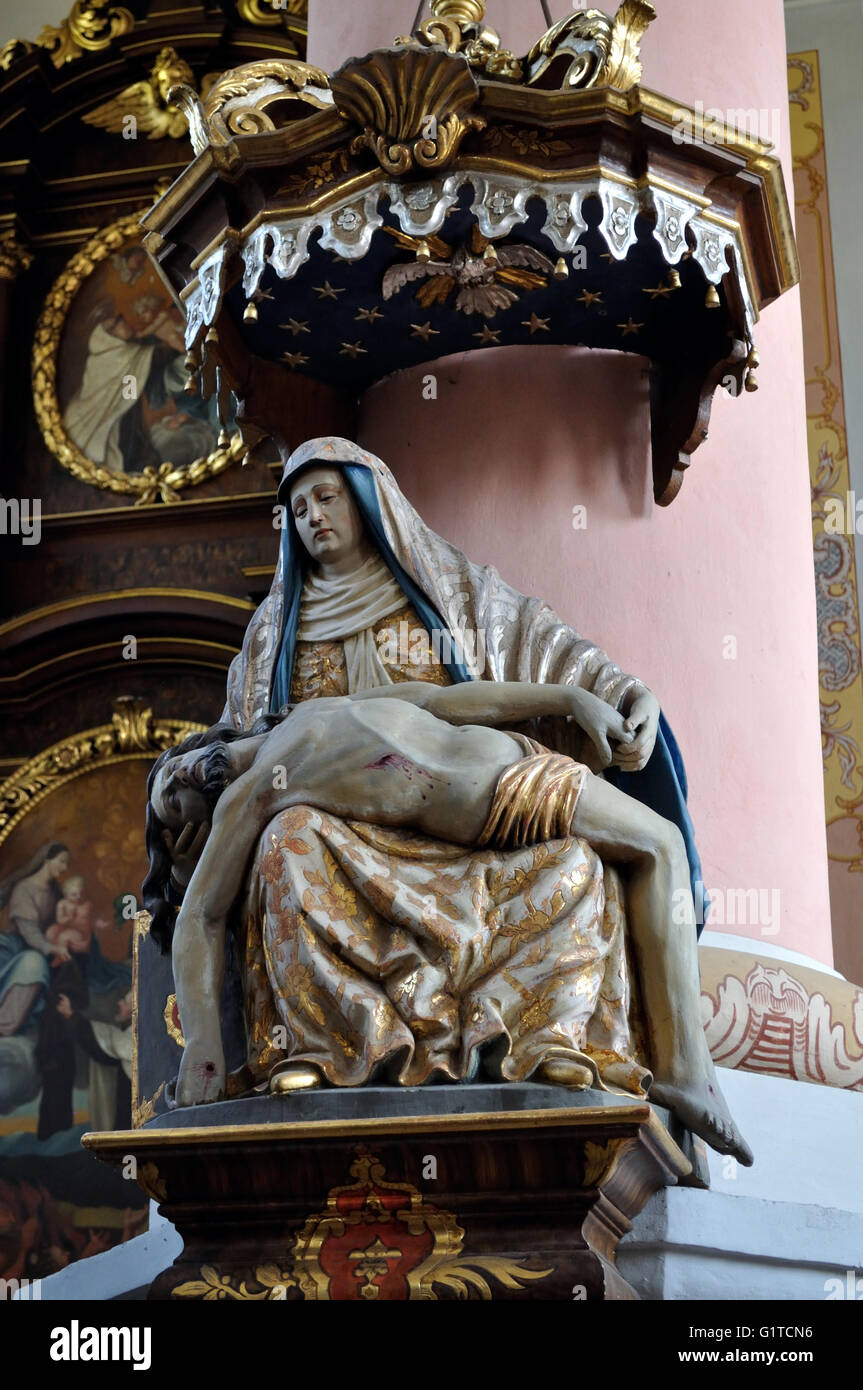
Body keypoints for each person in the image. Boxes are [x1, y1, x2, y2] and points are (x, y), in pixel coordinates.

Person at [146, 679, 751, 1164]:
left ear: (200, 744)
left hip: (520, 768)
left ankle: (683, 1072)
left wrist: (567, 698)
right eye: (173, 803)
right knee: (657, 845)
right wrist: (201, 1046)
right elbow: (200, 916)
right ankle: (686, 1076)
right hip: (490, 815)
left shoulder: (317, 709)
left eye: (172, 770)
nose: (180, 781)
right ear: (194, 825)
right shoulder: (249, 797)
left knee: (663, 843)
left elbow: (444, 701)